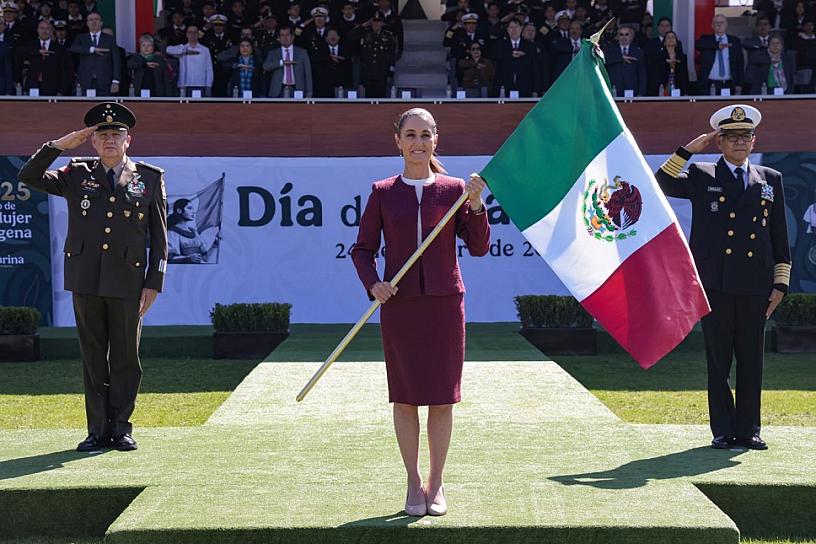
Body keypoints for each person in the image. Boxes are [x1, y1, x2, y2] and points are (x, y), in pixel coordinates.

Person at [351, 108, 490, 517]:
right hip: (400, 308)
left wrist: (476, 204)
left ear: (436, 140)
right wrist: (374, 284)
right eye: (410, 135)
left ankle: (437, 480)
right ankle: (413, 481)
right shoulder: (382, 192)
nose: (418, 142)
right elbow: (362, 250)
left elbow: (479, 247)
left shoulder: (454, 190)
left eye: (425, 135)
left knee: (443, 399)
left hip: (445, 307)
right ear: (397, 141)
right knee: (406, 399)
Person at [18, 102, 168, 452]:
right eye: (103, 135)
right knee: (93, 356)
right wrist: (60, 145)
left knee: (126, 358)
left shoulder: (148, 178)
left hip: (128, 282)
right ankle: (97, 430)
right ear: (93, 142)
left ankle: (121, 428)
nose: (110, 140)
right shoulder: (76, 174)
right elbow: (28, 176)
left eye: (116, 134)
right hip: (86, 279)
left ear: (128, 140)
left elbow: (160, 239)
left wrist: (154, 282)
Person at [655, 104, 791, 451]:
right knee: (718, 360)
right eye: (731, 137)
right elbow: (663, 181)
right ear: (720, 142)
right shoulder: (702, 174)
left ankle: (749, 429)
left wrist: (780, 282)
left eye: (746, 136)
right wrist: (690, 149)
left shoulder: (770, 178)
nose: (740, 142)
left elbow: (778, 234)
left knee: (751, 359)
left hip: (756, 283)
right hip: (714, 283)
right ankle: (723, 430)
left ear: (754, 140)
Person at [69, 11, 121, 95]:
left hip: (105, 82)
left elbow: (116, 61)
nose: (94, 22)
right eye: (91, 19)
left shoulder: (109, 39)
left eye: (96, 19)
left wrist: (115, 81)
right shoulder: (81, 38)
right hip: (85, 81)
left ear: (101, 23)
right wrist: (92, 49)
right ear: (87, 23)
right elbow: (73, 48)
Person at [695, 14, 744, 95]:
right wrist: (717, 46)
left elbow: (740, 63)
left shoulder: (734, 41)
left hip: (729, 83)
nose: (719, 24)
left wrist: (740, 83)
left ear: (726, 25)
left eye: (722, 22)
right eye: (716, 23)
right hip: (710, 84)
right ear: (712, 26)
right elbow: (698, 44)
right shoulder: (706, 39)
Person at [262, 24, 312, 97]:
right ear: (278, 38)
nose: (285, 38)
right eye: (282, 35)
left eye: (287, 35)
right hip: (278, 91)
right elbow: (265, 66)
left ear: (292, 37)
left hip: (297, 90)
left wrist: (309, 93)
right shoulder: (273, 53)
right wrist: (281, 62)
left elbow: (308, 73)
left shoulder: (302, 52)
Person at [167, 198, 219, 263]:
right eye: (189, 208)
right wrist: (188, 259)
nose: (193, 212)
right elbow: (169, 259)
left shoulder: (194, 232)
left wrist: (215, 244)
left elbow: (205, 258)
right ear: (179, 210)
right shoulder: (172, 233)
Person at [166, 25, 214, 97]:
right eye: (190, 32)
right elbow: (168, 50)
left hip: (201, 84)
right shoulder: (182, 48)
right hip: (184, 85)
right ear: (187, 34)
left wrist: (209, 85)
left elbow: (209, 69)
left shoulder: (205, 50)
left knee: (200, 104)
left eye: (195, 32)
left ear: (198, 34)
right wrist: (185, 51)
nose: (192, 34)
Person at [603, 24, 646, 96]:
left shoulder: (638, 52)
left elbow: (642, 74)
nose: (624, 37)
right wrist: (621, 58)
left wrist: (641, 93)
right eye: (621, 34)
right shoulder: (610, 50)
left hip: (632, 89)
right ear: (617, 36)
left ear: (631, 36)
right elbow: (605, 61)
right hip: (614, 89)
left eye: (626, 34)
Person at [649, 30, 688, 96]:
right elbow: (655, 73)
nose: (671, 39)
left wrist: (685, 92)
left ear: (676, 42)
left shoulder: (682, 57)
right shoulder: (658, 56)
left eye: (673, 37)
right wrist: (666, 62)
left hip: (678, 88)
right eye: (668, 37)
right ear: (664, 42)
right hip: (662, 88)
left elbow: (685, 75)